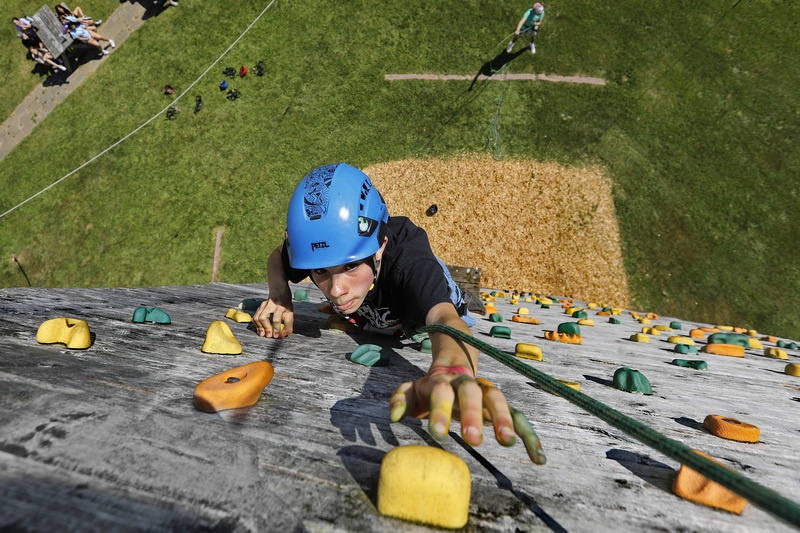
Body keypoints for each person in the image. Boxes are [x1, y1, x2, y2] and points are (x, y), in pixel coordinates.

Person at [253, 163, 544, 463]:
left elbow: (445, 319)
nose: (336, 289)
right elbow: (279, 255)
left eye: (351, 266)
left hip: (432, 305)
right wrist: (279, 294)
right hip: (383, 314)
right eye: (321, 271)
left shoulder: (410, 266)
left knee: (451, 301)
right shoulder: (323, 248)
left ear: (380, 248)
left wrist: (452, 370)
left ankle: (470, 297)